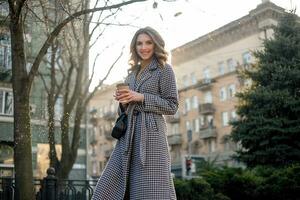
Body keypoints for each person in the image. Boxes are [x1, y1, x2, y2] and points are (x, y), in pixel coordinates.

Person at [92, 26, 178, 200]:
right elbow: (125, 110)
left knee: (148, 192)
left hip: (151, 139)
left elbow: (172, 105)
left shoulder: (164, 69)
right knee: (105, 190)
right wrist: (123, 104)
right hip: (127, 138)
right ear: (134, 47)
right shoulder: (131, 75)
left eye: (148, 43)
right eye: (139, 43)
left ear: (156, 45)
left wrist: (141, 97)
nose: (144, 47)